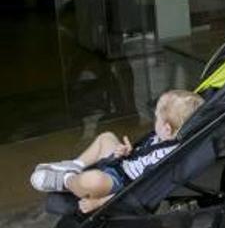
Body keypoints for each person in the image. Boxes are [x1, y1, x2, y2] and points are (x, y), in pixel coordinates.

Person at [30, 90, 204, 213]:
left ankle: (66, 180)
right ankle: (74, 166)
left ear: (167, 128)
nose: (154, 120)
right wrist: (128, 151)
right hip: (121, 163)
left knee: (93, 180)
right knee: (107, 137)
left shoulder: (167, 158)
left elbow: (138, 189)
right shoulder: (162, 137)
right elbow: (143, 155)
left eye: (157, 117)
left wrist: (99, 203)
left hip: (119, 183)